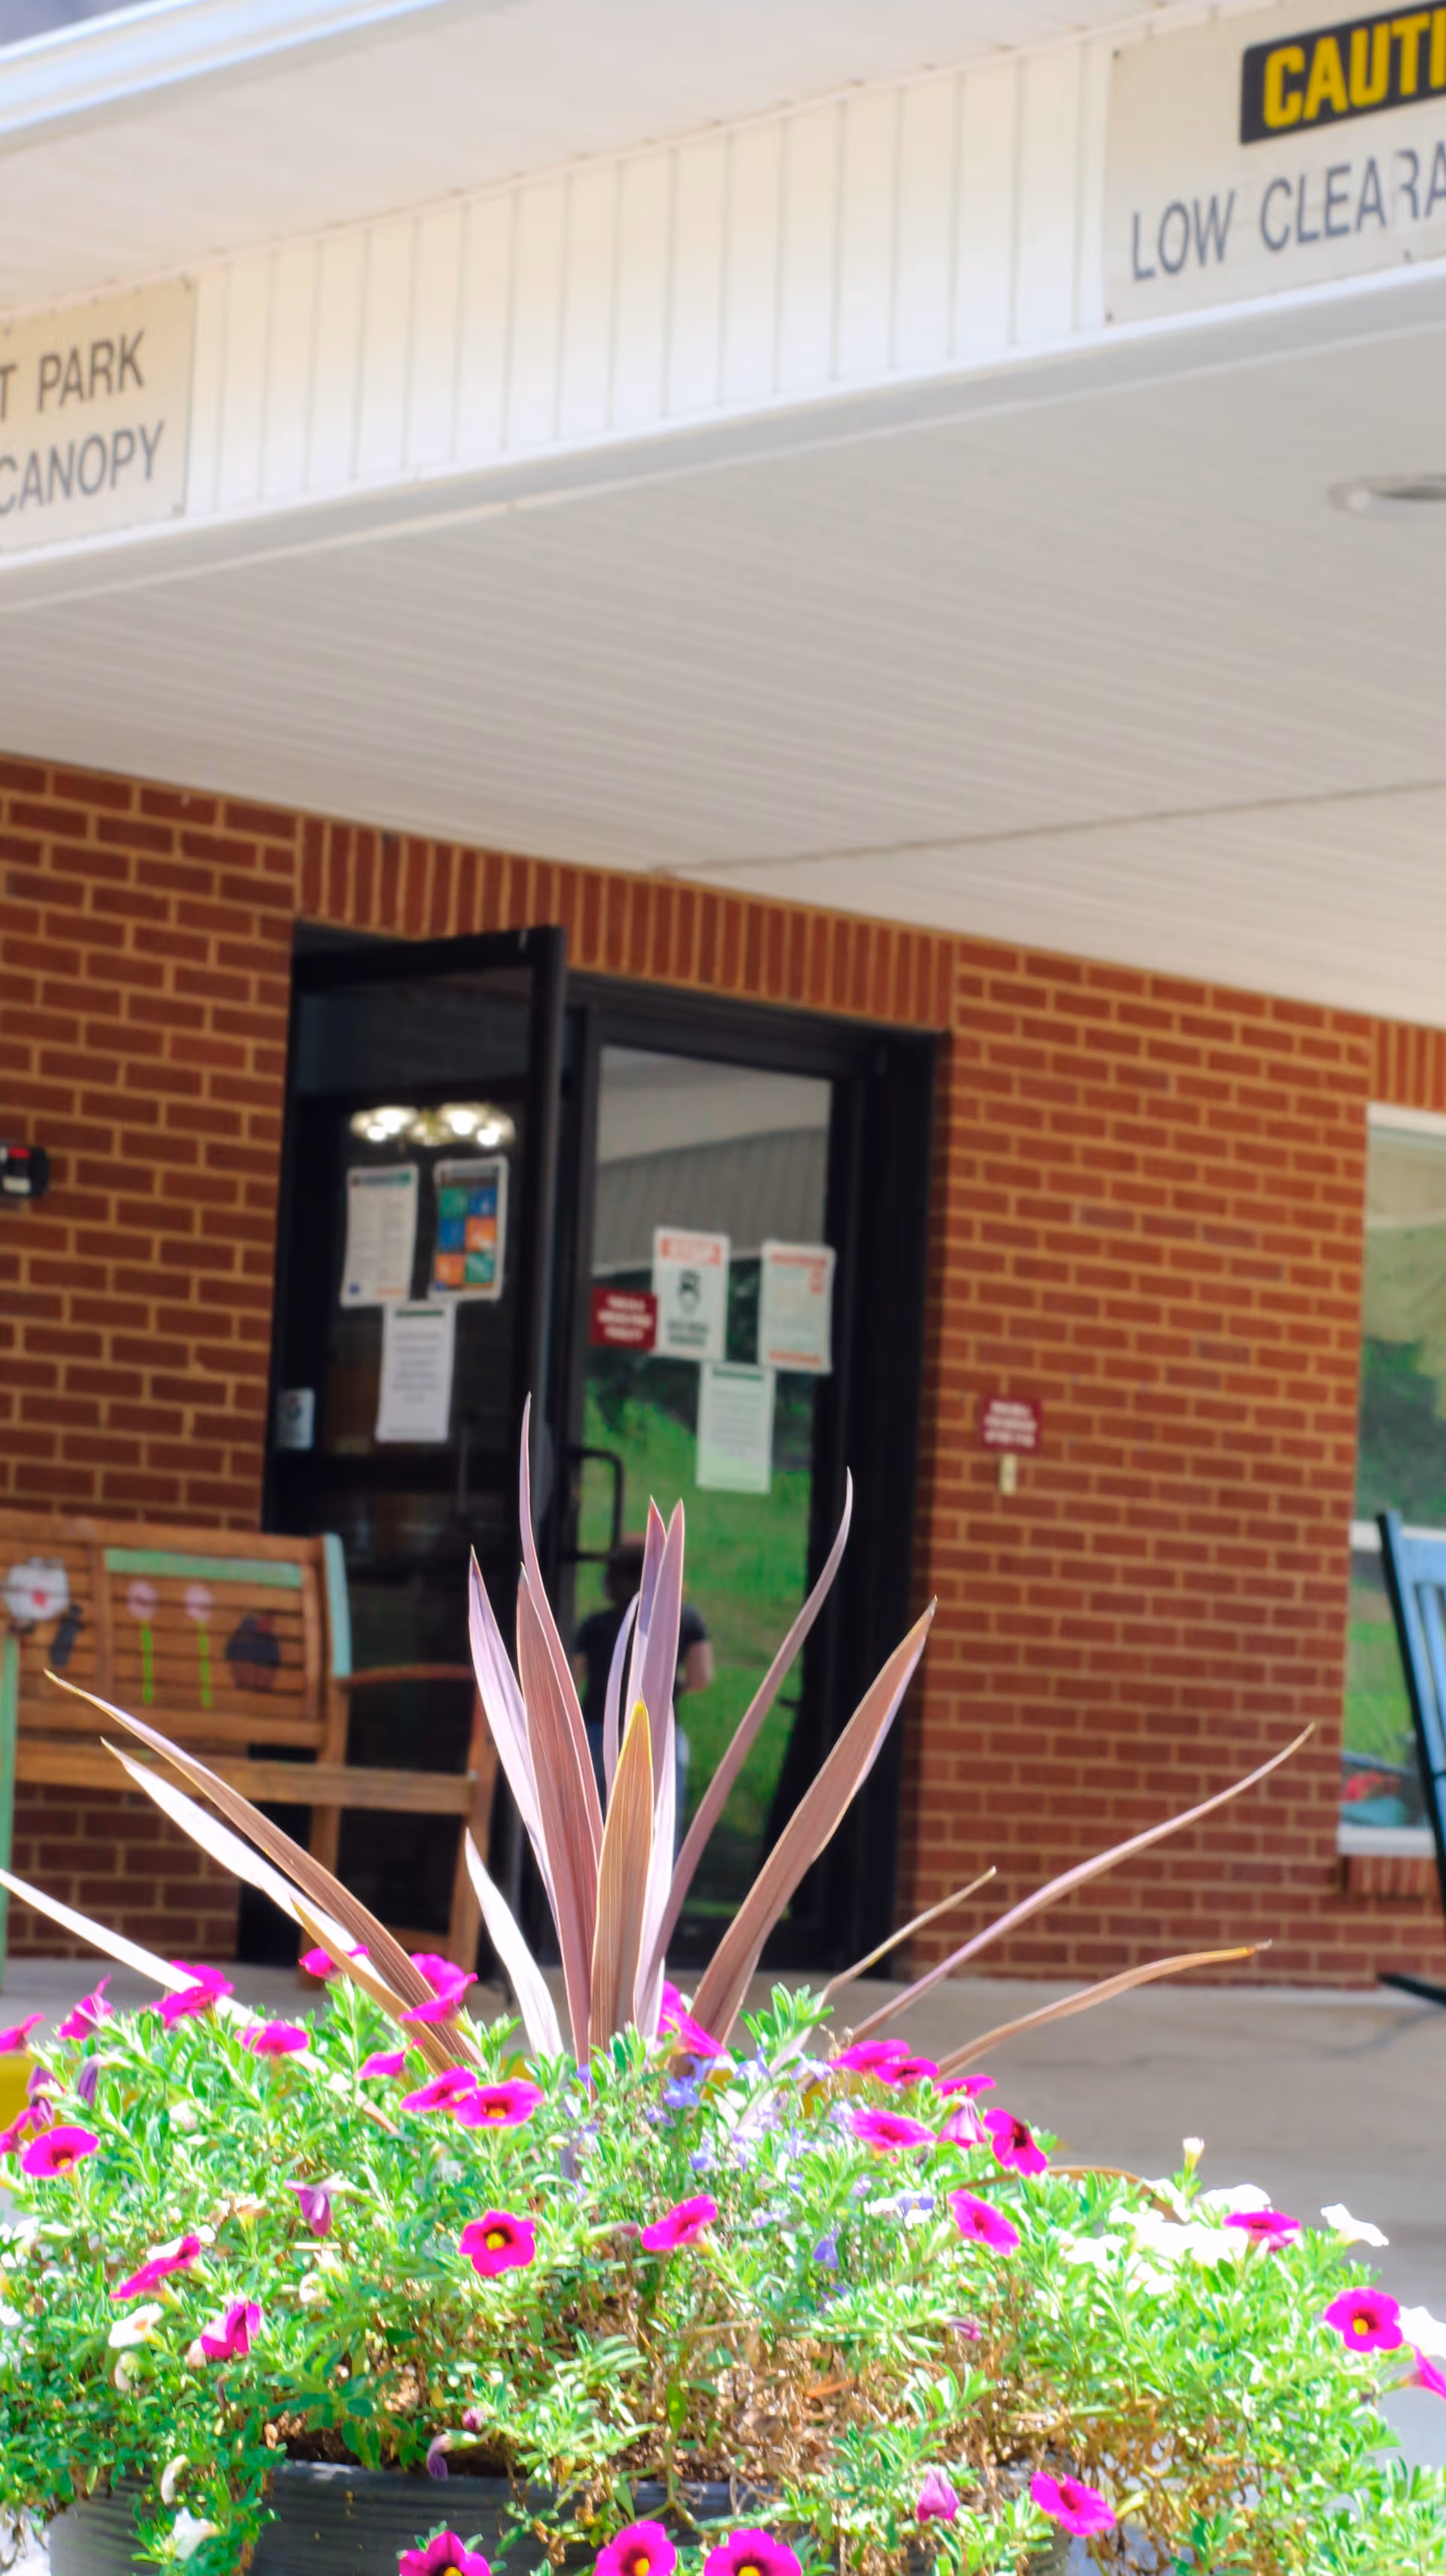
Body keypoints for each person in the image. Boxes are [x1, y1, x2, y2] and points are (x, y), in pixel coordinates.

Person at [572, 1535, 713, 1811]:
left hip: (600, 1733)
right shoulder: (685, 1621)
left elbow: (571, 1680)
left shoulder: (595, 1625)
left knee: (597, 1828)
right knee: (657, 1829)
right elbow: (702, 1677)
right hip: (657, 1735)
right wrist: (672, 1687)